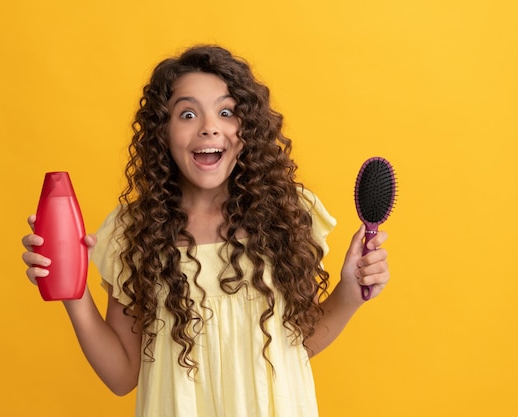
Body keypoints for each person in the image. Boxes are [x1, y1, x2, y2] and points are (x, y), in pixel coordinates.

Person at [22, 45, 390, 417]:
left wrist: (349, 292)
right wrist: (73, 289)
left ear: (247, 128)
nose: (209, 126)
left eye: (226, 111)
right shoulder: (133, 233)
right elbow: (121, 377)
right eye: (187, 114)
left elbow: (298, 344)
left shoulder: (288, 217)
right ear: (162, 132)